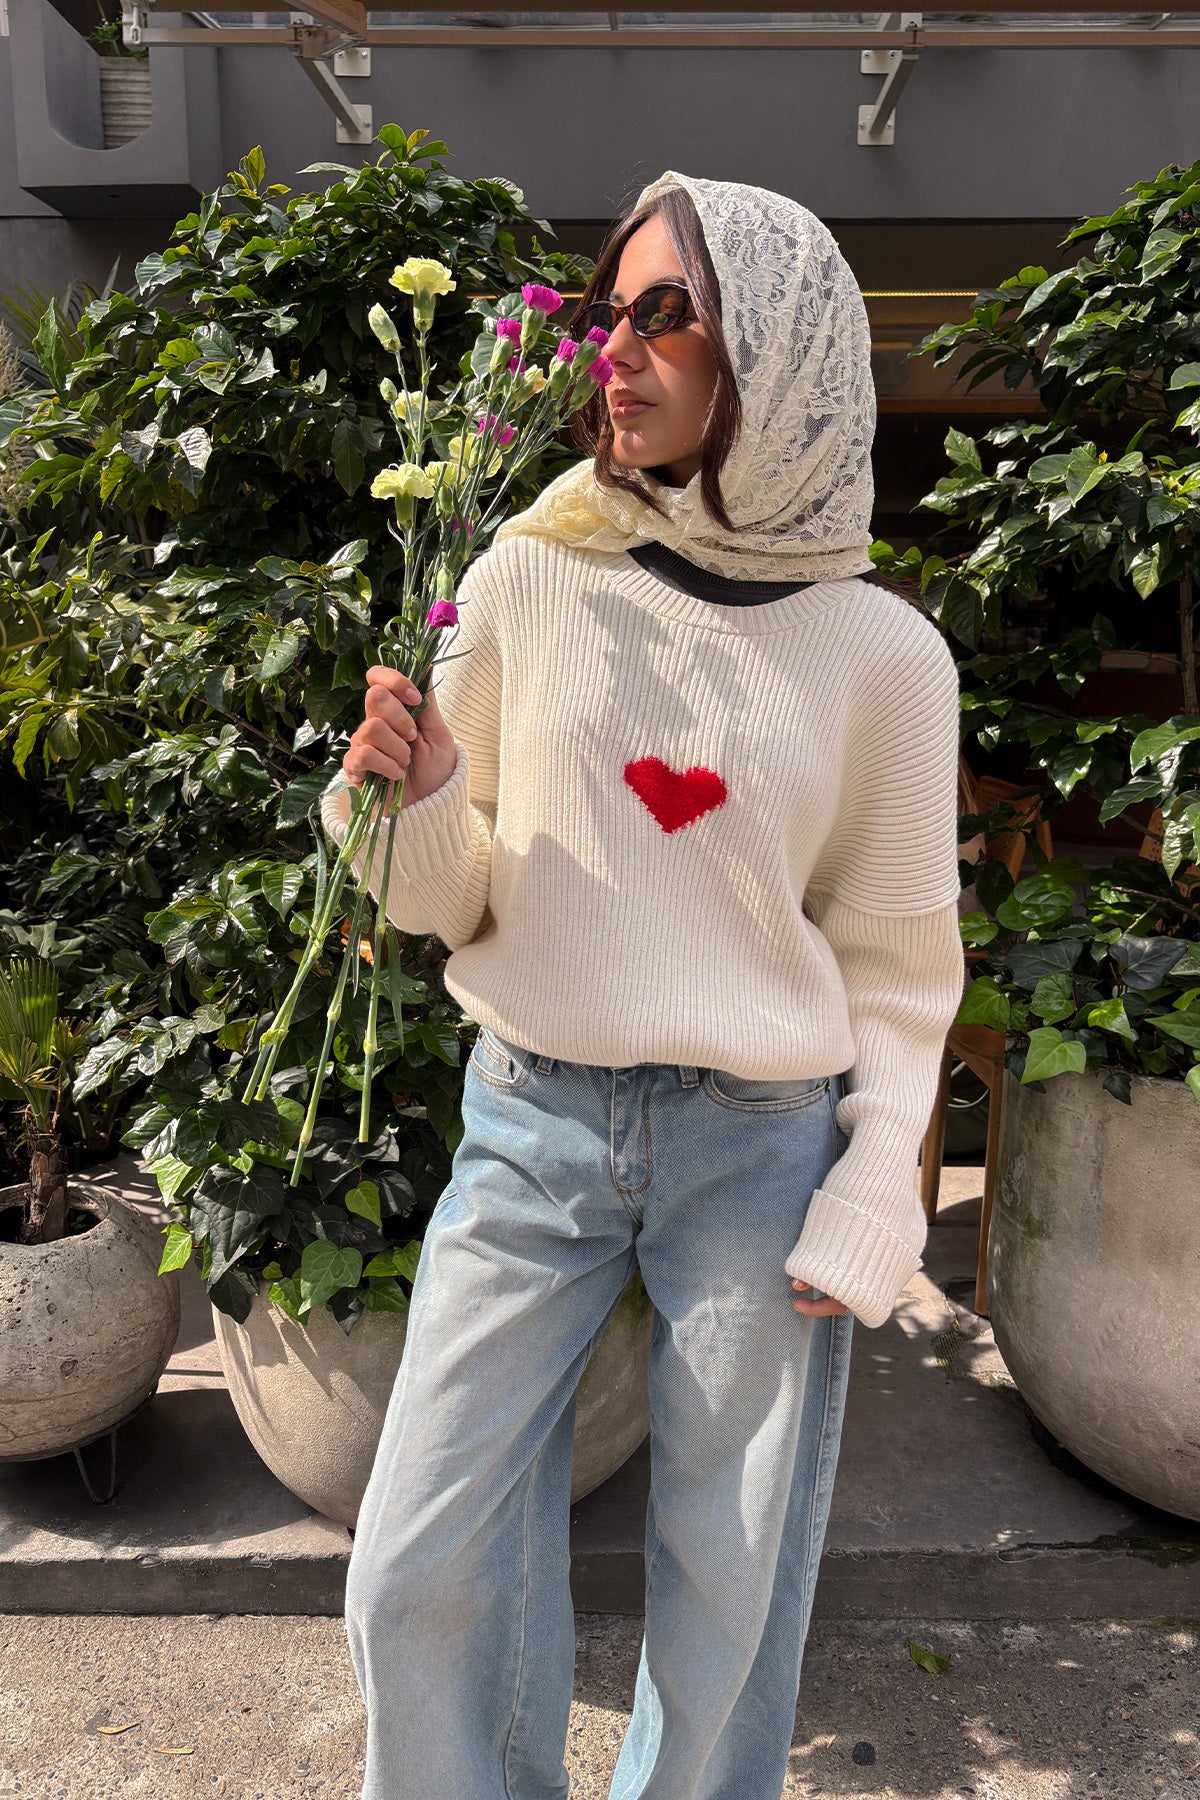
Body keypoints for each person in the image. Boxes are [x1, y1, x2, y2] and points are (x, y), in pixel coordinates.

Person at [320, 170, 965, 1800]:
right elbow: (449, 897)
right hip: (532, 1121)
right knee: (416, 1563)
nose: (615, 347)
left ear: (781, 342)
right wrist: (409, 800)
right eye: (612, 311)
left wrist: (876, 1182)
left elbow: (898, 967)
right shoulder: (529, 573)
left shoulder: (884, 655)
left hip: (760, 1143)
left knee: (732, 1583)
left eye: (667, 313)